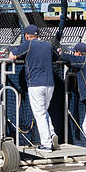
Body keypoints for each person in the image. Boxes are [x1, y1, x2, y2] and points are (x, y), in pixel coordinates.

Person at [9, 24, 59, 153]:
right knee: (44, 111)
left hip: (36, 84)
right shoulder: (48, 45)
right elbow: (57, 57)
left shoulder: (28, 44)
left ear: (26, 36)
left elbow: (11, 55)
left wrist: (19, 57)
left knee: (40, 114)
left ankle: (47, 144)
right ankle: (52, 134)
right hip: (50, 84)